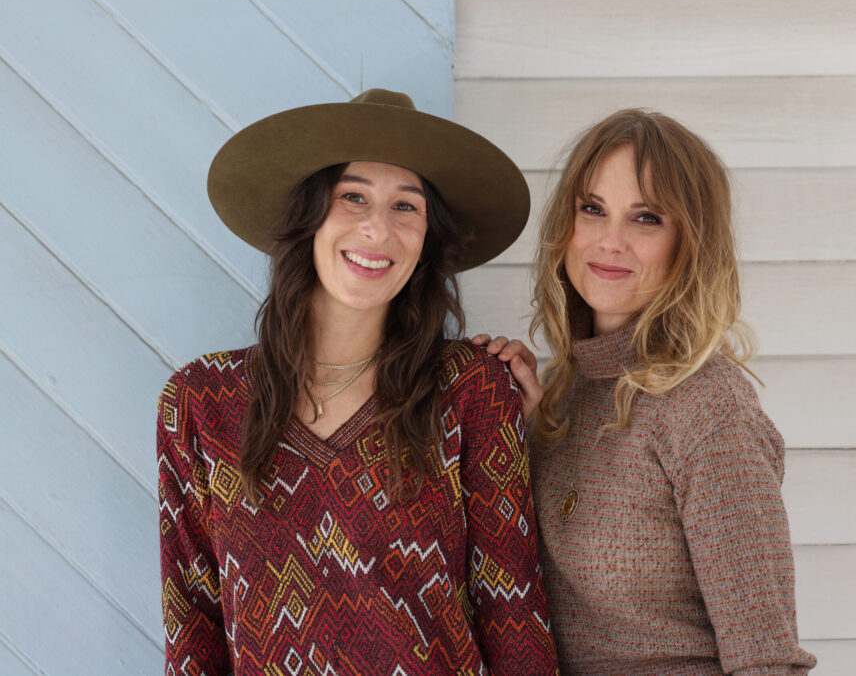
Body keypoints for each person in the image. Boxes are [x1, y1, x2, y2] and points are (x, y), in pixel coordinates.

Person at [158, 89, 559, 675]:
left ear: (426, 242)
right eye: (353, 196)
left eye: (407, 206)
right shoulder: (202, 401)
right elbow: (191, 622)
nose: (378, 227)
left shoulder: (471, 390)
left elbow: (514, 613)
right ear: (309, 217)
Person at [474, 109, 816, 674]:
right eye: (593, 209)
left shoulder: (706, 410)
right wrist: (521, 436)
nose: (610, 242)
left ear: (691, 242)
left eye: (646, 218)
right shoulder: (564, 393)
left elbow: (767, 659)